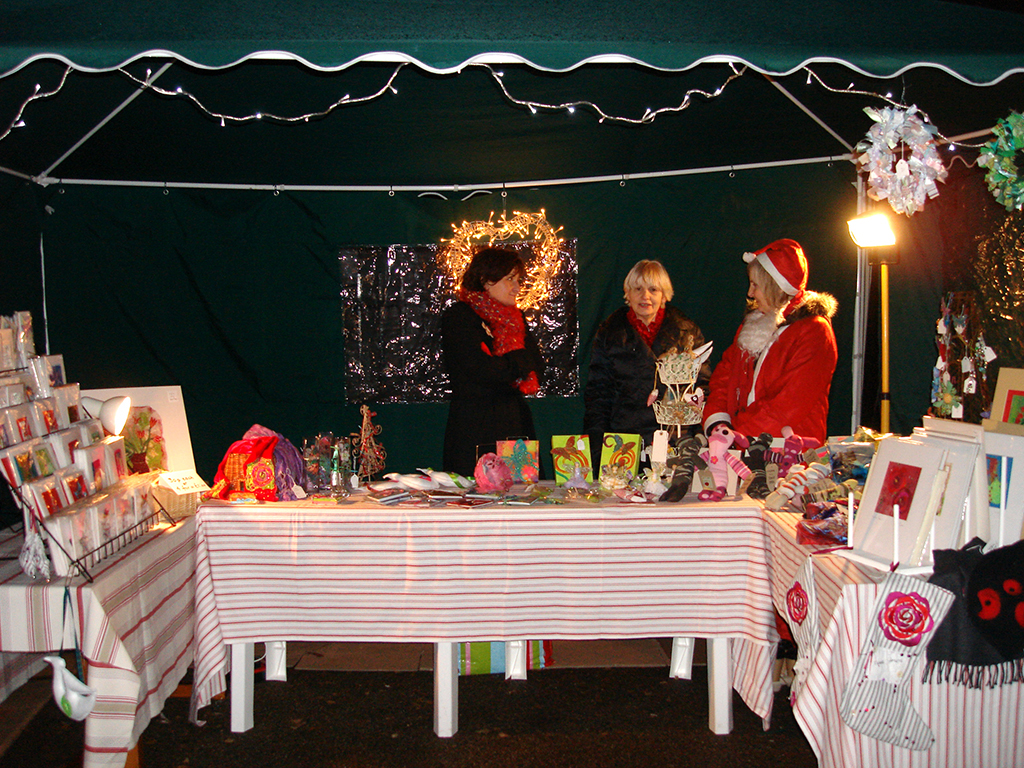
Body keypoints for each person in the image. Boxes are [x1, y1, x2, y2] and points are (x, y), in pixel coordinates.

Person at [703, 238, 838, 445]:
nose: (750, 293)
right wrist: (718, 422)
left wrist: (736, 434)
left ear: (776, 287)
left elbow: (789, 403)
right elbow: (724, 377)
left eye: (755, 285)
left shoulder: (814, 331)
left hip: (788, 452)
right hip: (741, 445)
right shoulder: (753, 324)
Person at [584, 259, 709, 456]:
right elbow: (599, 394)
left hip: (675, 439)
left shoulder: (687, 333)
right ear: (628, 294)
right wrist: (598, 445)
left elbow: (702, 387)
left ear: (664, 295)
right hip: (624, 442)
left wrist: (699, 436)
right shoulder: (609, 333)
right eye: (638, 289)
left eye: (653, 289)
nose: (645, 296)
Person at [441, 247, 543, 476]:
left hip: (515, 426)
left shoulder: (516, 319)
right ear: (486, 280)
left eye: (518, 280)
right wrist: (515, 364)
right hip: (475, 428)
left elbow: (536, 363)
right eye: (510, 279)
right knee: (478, 502)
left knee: (521, 500)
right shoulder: (460, 317)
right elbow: (481, 371)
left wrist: (507, 364)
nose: (517, 288)